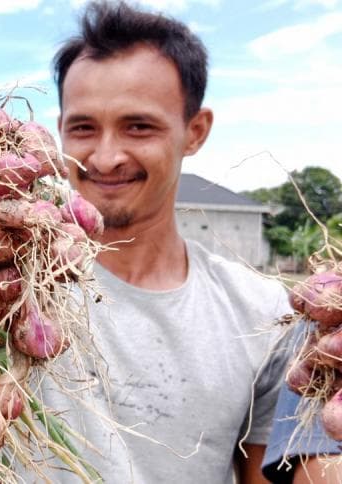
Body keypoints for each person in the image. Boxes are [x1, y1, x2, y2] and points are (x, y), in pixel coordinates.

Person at [39, 2, 294, 482]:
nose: (107, 156)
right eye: (83, 128)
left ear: (195, 132)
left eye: (139, 126)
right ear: (61, 132)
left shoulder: (262, 314)